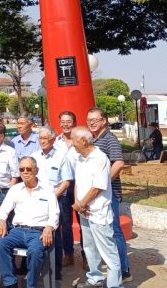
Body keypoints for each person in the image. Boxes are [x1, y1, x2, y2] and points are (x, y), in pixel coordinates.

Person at [0, 156, 59, 288]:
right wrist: (1, 221)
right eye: (21, 169)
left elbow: (55, 213)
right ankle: (10, 282)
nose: (25, 172)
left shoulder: (48, 189)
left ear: (36, 170)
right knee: (1, 244)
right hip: (17, 231)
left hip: (38, 232)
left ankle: (31, 284)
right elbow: (3, 210)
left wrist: (49, 227)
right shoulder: (15, 189)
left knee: (35, 252)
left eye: (28, 169)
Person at [72, 126, 121, 288]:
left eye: (74, 140)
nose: (72, 144)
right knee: (89, 247)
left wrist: (82, 204)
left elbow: (98, 187)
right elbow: (78, 183)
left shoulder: (100, 158)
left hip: (98, 212)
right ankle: (95, 278)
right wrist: (79, 204)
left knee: (108, 250)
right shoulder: (80, 158)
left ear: (84, 141)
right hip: (84, 212)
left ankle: (115, 285)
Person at [86, 107, 130, 281]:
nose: (91, 122)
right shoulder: (93, 140)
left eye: (94, 119)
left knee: (114, 231)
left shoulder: (109, 138)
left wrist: (103, 184)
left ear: (104, 121)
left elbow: (118, 163)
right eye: (88, 119)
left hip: (109, 194)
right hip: (96, 195)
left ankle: (124, 269)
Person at [32, 126, 74, 275]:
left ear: (53, 139)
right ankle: (37, 265)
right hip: (36, 200)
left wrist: (52, 197)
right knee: (37, 231)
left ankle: (55, 269)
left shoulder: (62, 157)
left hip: (57, 199)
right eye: (40, 138)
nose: (42, 141)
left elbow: (66, 181)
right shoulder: (34, 157)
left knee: (55, 233)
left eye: (45, 138)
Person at [55, 111, 79, 266]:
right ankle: (68, 254)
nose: (65, 125)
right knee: (65, 222)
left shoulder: (81, 140)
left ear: (74, 123)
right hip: (63, 185)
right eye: (62, 121)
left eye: (68, 121)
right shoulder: (55, 142)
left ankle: (86, 256)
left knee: (84, 222)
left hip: (79, 185)